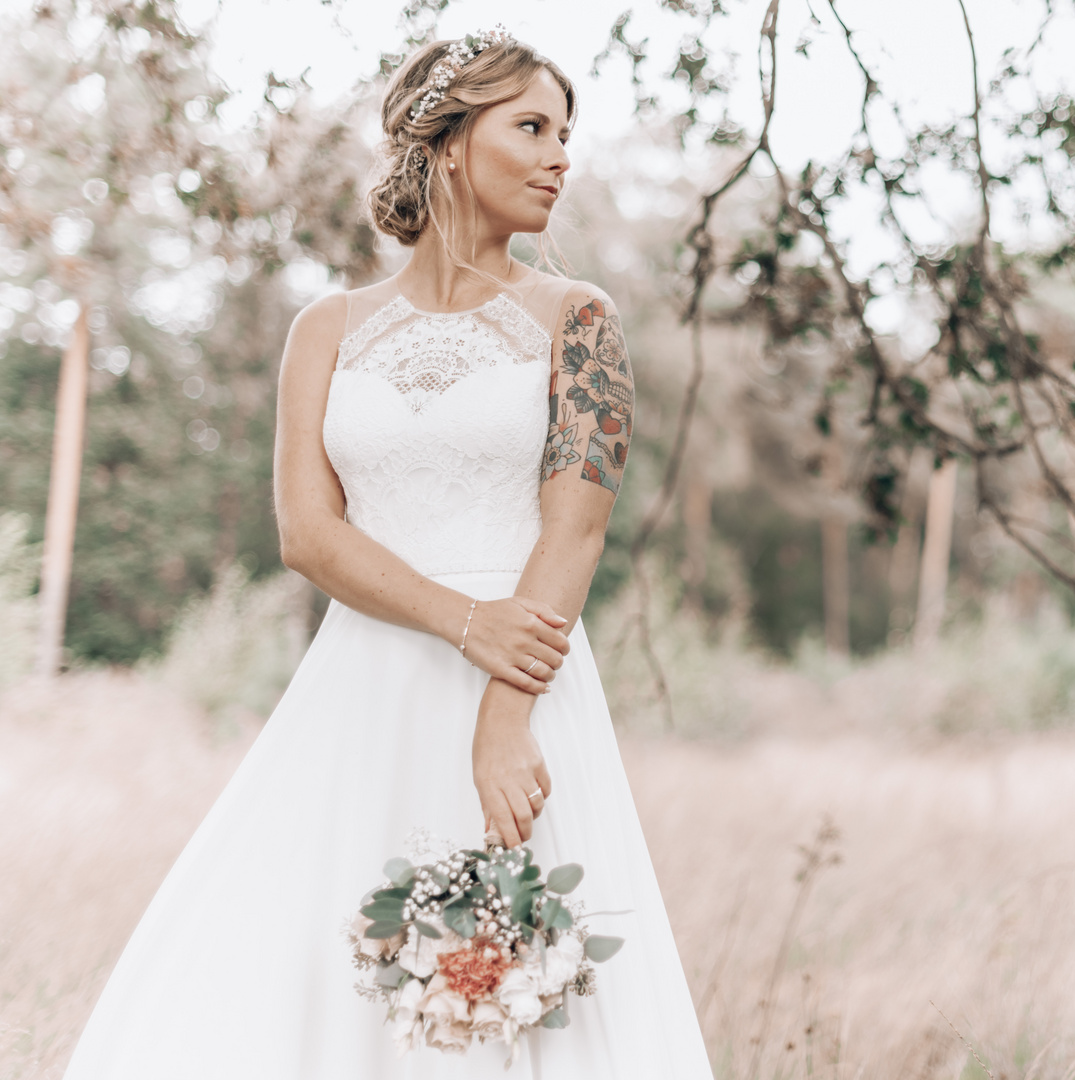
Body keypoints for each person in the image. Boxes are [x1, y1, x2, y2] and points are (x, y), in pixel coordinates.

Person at [63, 28, 715, 1079]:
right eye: (533, 127)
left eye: (567, 134)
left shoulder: (577, 321)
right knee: (300, 974)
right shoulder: (327, 328)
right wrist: (462, 621)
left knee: (515, 990)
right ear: (451, 144)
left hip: (527, 680)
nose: (560, 157)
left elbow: (575, 527)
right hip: (360, 688)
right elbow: (306, 535)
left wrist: (504, 718)